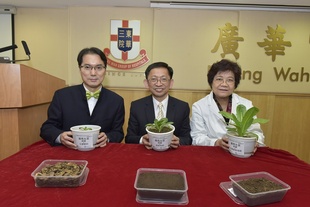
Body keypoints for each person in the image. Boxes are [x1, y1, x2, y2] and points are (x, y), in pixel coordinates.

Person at [40, 47, 125, 149]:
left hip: (102, 155)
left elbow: (118, 132)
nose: (93, 73)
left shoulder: (116, 100)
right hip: (68, 155)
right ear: (80, 69)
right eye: (87, 67)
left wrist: (108, 137)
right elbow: (47, 128)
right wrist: (60, 137)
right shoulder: (62, 96)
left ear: (105, 70)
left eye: (99, 67)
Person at [190, 59, 265, 153]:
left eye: (230, 80)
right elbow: (197, 137)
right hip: (212, 153)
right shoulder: (199, 106)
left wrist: (255, 142)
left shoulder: (246, 104)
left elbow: (257, 133)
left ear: (235, 84)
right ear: (211, 82)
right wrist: (216, 142)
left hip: (241, 152)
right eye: (219, 79)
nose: (224, 84)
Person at [125, 62, 192, 149]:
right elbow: (129, 138)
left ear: (171, 83)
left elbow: (187, 139)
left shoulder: (182, 107)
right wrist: (142, 140)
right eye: (153, 79)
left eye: (163, 79)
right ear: (146, 83)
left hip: (172, 155)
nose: (159, 84)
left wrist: (178, 141)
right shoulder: (137, 106)